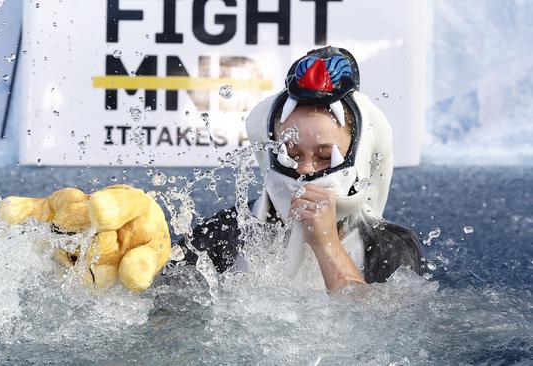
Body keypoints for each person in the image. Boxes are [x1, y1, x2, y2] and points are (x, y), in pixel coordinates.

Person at [176, 46, 425, 292]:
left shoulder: (389, 248)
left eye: (326, 157)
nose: (305, 170)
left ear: (358, 158)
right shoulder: (229, 231)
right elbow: (162, 302)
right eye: (290, 156)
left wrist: (327, 245)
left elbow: (389, 324)